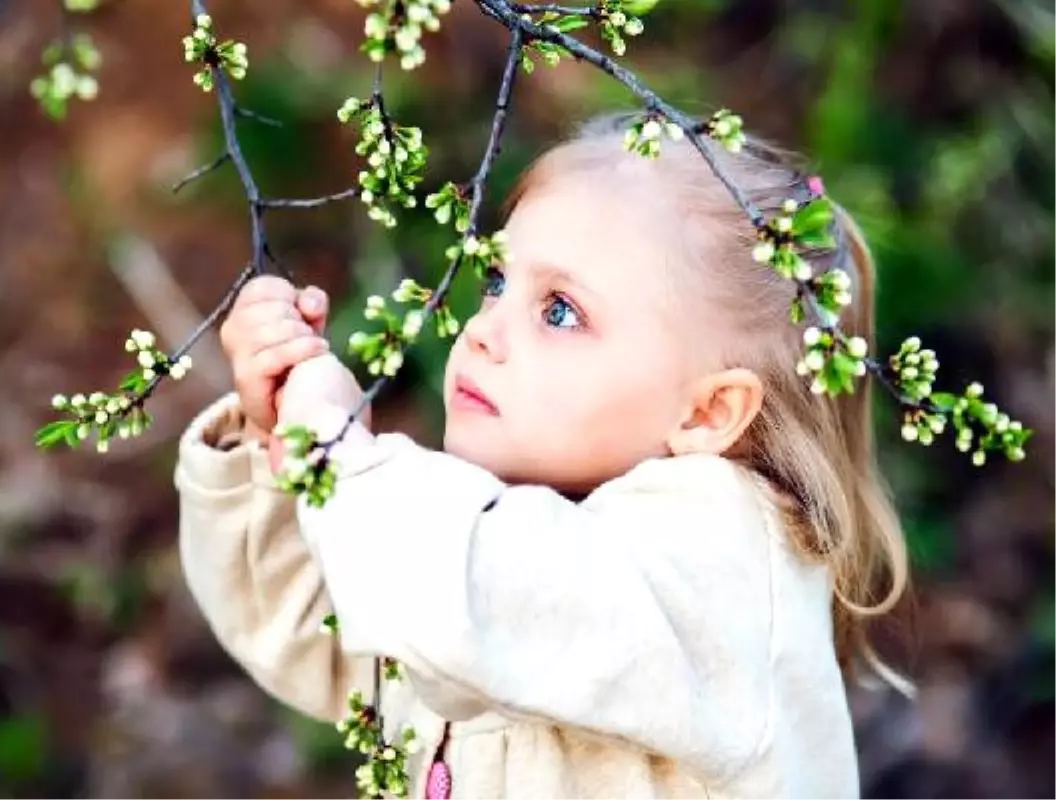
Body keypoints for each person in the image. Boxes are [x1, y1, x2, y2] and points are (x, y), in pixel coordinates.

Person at [175, 112, 910, 799]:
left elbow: (461, 596)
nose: (485, 329)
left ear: (708, 412)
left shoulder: (718, 561)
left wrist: (334, 438)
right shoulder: (499, 533)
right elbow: (324, 629)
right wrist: (278, 439)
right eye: (497, 282)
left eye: (560, 312)